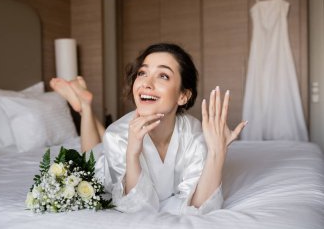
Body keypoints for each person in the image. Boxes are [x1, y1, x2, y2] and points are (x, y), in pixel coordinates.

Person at [50, 43, 247, 215]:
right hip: (109, 159)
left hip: (117, 136)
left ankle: (84, 101)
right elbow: (137, 208)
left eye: (163, 75)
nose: (147, 83)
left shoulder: (195, 134)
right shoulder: (117, 135)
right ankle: (85, 107)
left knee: (105, 141)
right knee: (90, 157)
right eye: (142, 73)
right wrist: (132, 153)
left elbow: (199, 206)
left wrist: (217, 153)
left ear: (183, 96)